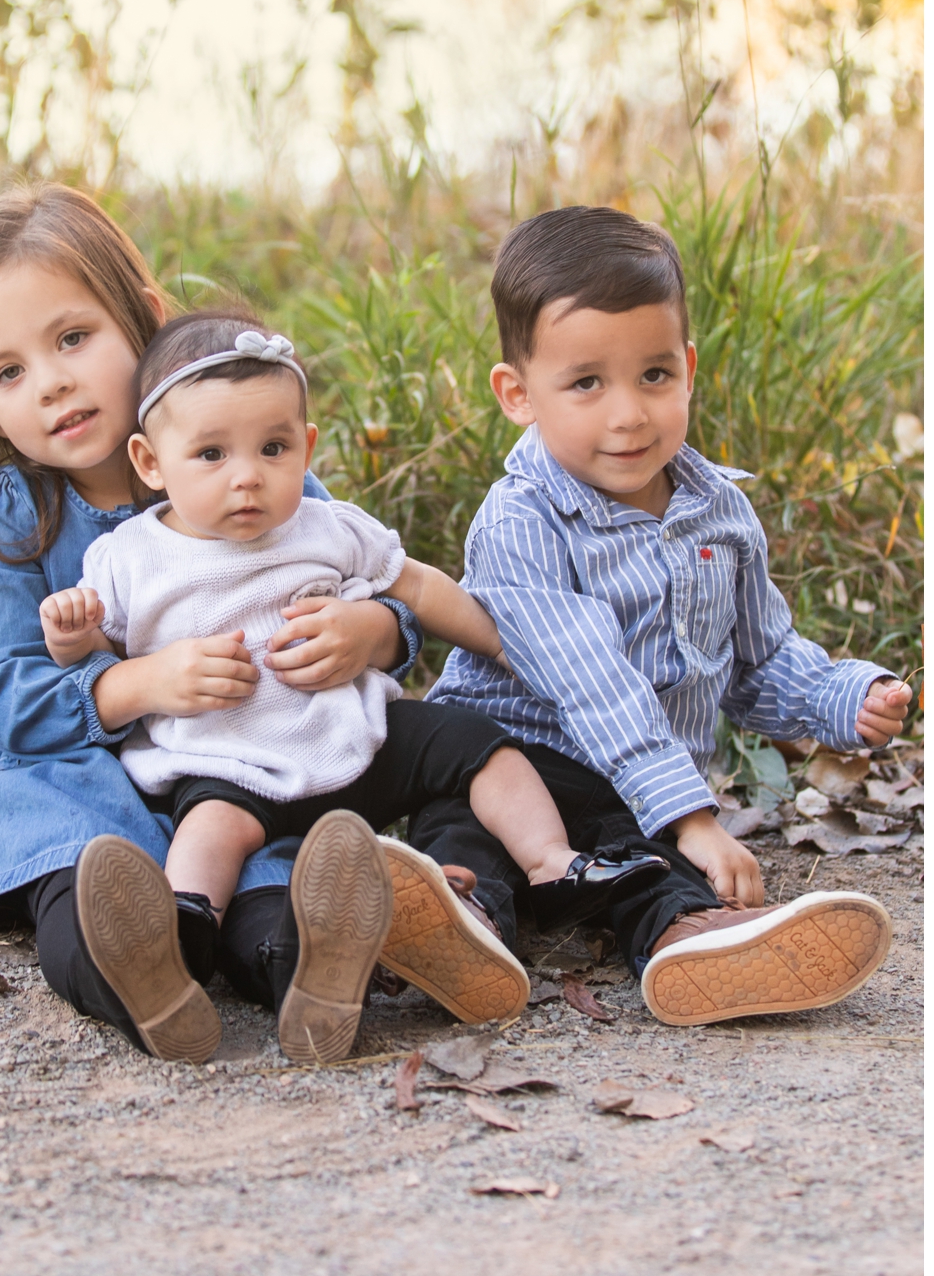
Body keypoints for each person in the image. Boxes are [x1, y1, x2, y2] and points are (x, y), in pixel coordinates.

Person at [0, 185, 516, 1073]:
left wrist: (373, 633)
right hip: (77, 775)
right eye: (8, 373)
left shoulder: (240, 456)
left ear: (143, 322)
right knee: (95, 875)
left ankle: (322, 974)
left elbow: (361, 573)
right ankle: (146, 980)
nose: (53, 382)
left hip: (240, 758)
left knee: (276, 877)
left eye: (72, 339)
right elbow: (5, 698)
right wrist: (141, 685)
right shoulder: (13, 517)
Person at [41, 311, 664, 1063]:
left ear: (305, 448)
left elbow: (424, 590)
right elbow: (99, 649)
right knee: (210, 827)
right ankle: (184, 929)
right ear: (149, 461)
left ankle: (552, 863)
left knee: (477, 744)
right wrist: (72, 633)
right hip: (232, 762)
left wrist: (512, 644)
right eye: (210, 454)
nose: (247, 476)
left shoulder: (327, 525)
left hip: (355, 740)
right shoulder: (130, 556)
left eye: (272, 448)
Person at [412, 206, 906, 1024]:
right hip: (520, 760)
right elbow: (593, 684)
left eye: (653, 376)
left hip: (631, 789)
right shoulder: (521, 520)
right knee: (462, 827)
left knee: (647, 858)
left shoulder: (719, 513)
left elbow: (755, 657)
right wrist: (694, 816)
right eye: (585, 384)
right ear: (517, 394)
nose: (628, 415)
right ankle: (457, 930)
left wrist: (841, 698)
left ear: (688, 367)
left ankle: (692, 943)